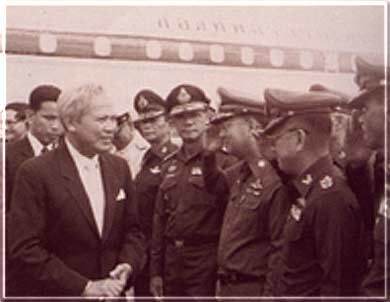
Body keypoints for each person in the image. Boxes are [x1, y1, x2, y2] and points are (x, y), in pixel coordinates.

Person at [6, 83, 146, 297]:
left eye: (113, 119)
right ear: (71, 122)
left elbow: (133, 231)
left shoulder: (119, 167)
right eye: (101, 120)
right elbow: (25, 248)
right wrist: (84, 287)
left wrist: (128, 265)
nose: (111, 128)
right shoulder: (35, 172)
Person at [263, 88, 367, 297]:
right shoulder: (306, 189)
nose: (273, 148)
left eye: (277, 139)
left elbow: (338, 288)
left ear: (299, 139)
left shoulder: (330, 198)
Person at [201, 87, 291, 297]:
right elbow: (214, 188)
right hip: (228, 287)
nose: (222, 133)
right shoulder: (240, 172)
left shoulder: (274, 177)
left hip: (253, 289)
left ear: (252, 126)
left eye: (228, 126)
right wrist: (207, 155)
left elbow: (280, 249)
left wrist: (270, 297)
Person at [149, 84, 226, 298]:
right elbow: (159, 221)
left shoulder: (224, 162)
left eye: (194, 114)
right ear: (172, 123)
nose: (188, 121)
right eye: (181, 117)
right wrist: (156, 272)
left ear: (207, 117)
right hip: (173, 261)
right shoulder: (168, 165)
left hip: (206, 260)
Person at [347, 55, 388, 297]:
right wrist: (357, 166)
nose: (359, 119)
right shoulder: (383, 168)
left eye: (365, 108)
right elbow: (373, 227)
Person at [132, 89, 179, 299]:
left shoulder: (177, 158)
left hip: (166, 257)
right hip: (144, 253)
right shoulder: (147, 159)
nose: (147, 125)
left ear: (168, 121)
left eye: (153, 119)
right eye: (143, 121)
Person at [5, 85, 63, 212]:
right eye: (50, 118)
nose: (56, 126)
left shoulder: (69, 156)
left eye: (61, 119)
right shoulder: (6, 156)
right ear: (30, 116)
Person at [112, 112, 149, 178]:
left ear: (129, 123)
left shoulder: (147, 150)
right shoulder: (108, 155)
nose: (114, 132)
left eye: (119, 124)